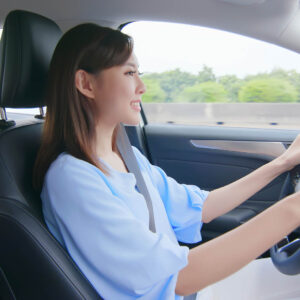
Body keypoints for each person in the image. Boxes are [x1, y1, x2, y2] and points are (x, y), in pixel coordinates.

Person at [32, 22, 300, 300]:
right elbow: (177, 279)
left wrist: (283, 162)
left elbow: (201, 207)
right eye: (129, 73)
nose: (142, 87)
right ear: (86, 83)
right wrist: (292, 209)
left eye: (140, 73)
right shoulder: (72, 179)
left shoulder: (127, 156)